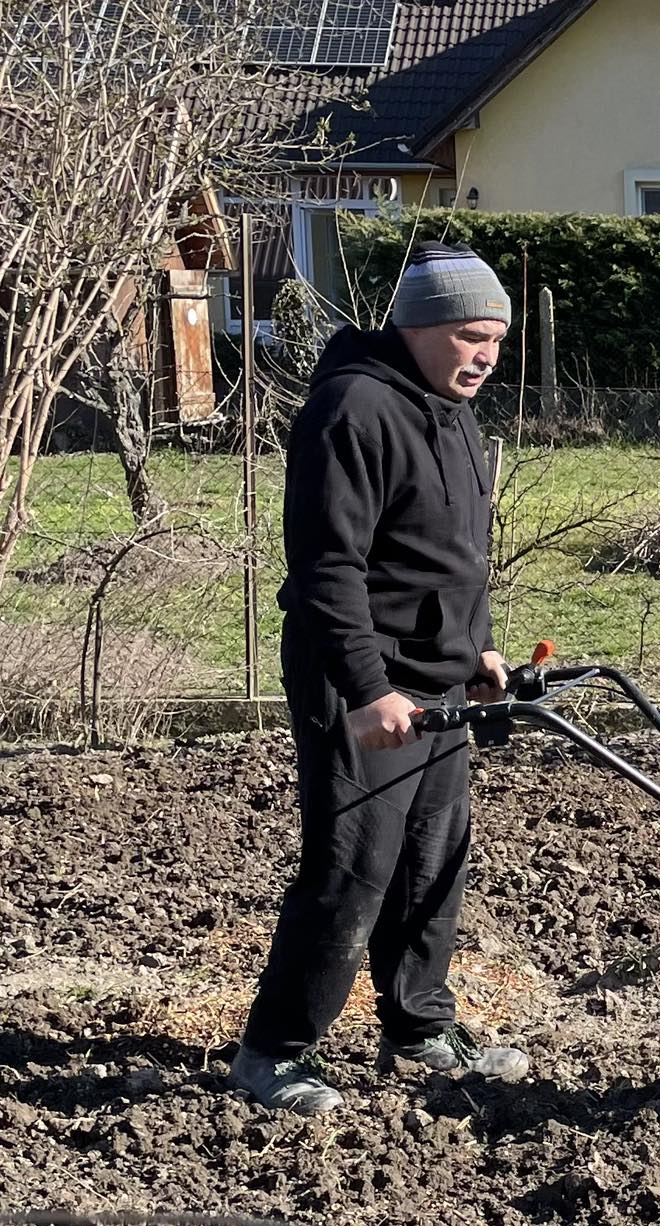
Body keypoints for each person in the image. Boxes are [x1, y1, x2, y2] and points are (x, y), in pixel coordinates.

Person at [229, 242, 530, 1114]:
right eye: (472, 337)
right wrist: (367, 690)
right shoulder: (353, 408)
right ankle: (273, 1051)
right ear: (419, 327)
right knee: (353, 867)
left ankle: (418, 1026)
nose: (486, 356)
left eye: (497, 341)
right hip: (360, 678)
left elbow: (450, 555)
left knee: (433, 860)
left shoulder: (451, 412)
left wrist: (477, 650)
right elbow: (328, 568)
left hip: (436, 679)